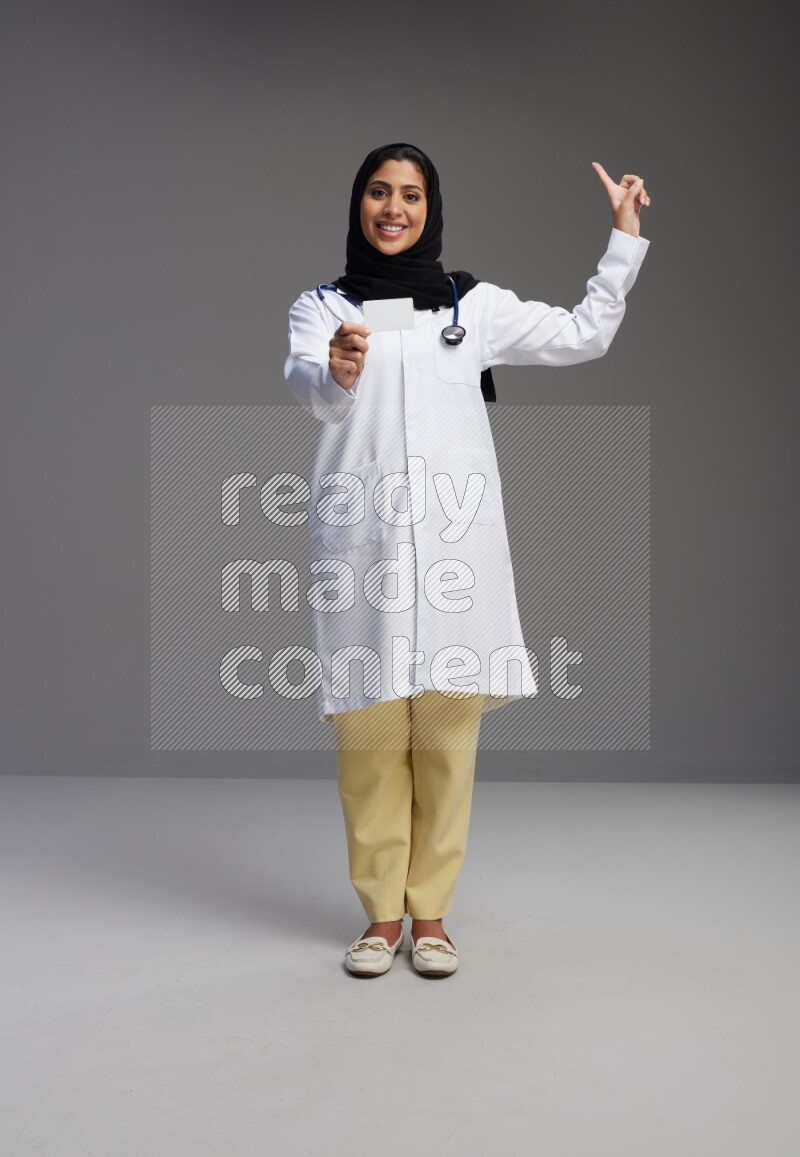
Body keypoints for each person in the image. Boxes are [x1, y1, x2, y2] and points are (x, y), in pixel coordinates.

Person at [284, 142, 651, 977]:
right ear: (358, 204)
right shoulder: (323, 305)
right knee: (372, 733)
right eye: (379, 192)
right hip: (365, 545)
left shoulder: (469, 305)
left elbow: (583, 335)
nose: (393, 208)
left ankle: (433, 915)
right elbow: (307, 382)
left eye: (410, 195)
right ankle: (380, 918)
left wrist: (622, 241)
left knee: (446, 734)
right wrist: (336, 373)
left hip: (456, 548)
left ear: (430, 207)